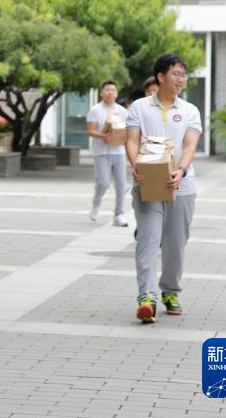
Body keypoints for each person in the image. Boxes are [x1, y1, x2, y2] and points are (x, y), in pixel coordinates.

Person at [125, 53, 201, 324]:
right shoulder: (139, 107)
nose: (181, 80)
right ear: (160, 76)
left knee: (175, 243)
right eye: (175, 74)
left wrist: (181, 170)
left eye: (183, 75)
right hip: (147, 183)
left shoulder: (190, 110)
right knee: (147, 239)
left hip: (182, 185)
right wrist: (136, 164)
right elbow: (132, 141)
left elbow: (190, 145)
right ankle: (146, 297)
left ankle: (170, 291)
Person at [86, 81, 130, 227]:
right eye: (107, 90)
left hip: (119, 152)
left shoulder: (122, 111)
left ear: (117, 93)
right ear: (101, 93)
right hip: (101, 152)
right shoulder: (95, 110)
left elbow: (127, 130)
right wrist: (103, 136)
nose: (110, 92)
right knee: (103, 182)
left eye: (113, 90)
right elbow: (90, 131)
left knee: (121, 185)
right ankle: (96, 202)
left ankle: (119, 214)